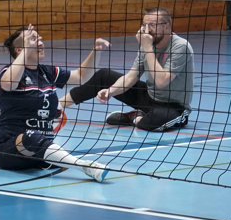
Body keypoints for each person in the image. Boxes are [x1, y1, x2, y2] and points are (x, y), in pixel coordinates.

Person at [0, 25, 110, 181]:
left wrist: (96, 51)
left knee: (40, 141)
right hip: (11, 150)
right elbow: (8, 83)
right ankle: (85, 166)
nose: (40, 43)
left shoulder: (47, 73)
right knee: (31, 136)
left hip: (41, 151)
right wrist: (26, 49)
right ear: (20, 50)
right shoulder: (9, 71)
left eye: (39, 39)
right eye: (33, 39)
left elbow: (81, 76)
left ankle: (54, 156)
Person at [65, 7, 194, 132]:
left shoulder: (180, 46)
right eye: (144, 25)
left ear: (167, 26)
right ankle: (58, 105)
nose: (147, 30)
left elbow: (161, 82)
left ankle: (135, 118)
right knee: (104, 75)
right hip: (149, 97)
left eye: (153, 25)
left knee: (155, 121)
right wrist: (110, 91)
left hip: (174, 107)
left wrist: (148, 48)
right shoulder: (148, 43)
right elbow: (131, 77)